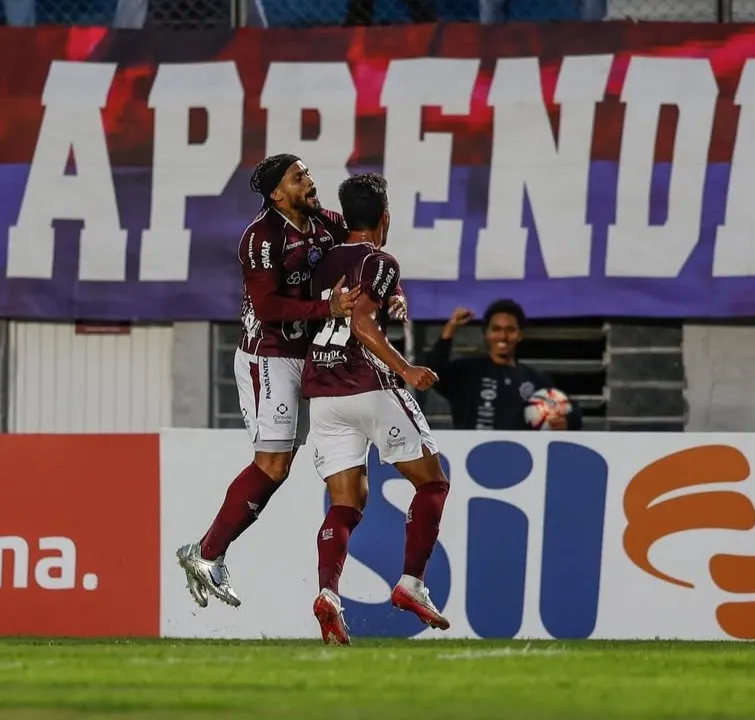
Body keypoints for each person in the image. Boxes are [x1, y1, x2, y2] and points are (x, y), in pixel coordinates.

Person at [175, 155, 406, 609]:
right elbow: (268, 310)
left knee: (280, 467)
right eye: (298, 178)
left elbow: (367, 253)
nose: (309, 182)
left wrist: (394, 292)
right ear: (277, 194)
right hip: (270, 356)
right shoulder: (261, 238)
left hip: (308, 356)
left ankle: (208, 551)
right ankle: (205, 553)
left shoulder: (323, 221)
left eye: (307, 174)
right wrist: (328, 310)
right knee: (273, 464)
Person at [302, 173, 451, 645]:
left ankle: (328, 593)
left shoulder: (319, 260)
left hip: (323, 393)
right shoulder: (380, 258)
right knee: (432, 482)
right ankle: (411, 584)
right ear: (385, 217)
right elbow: (362, 319)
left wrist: (393, 294)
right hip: (369, 384)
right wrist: (406, 369)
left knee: (345, 503)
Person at [425, 300, 584, 431]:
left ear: (520, 335)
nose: (503, 336)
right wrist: (450, 329)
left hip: (517, 461)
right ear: (486, 334)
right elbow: (431, 372)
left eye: (510, 330)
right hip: (470, 461)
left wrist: (567, 421)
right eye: (496, 329)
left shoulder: (535, 380)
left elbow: (569, 409)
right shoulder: (467, 371)